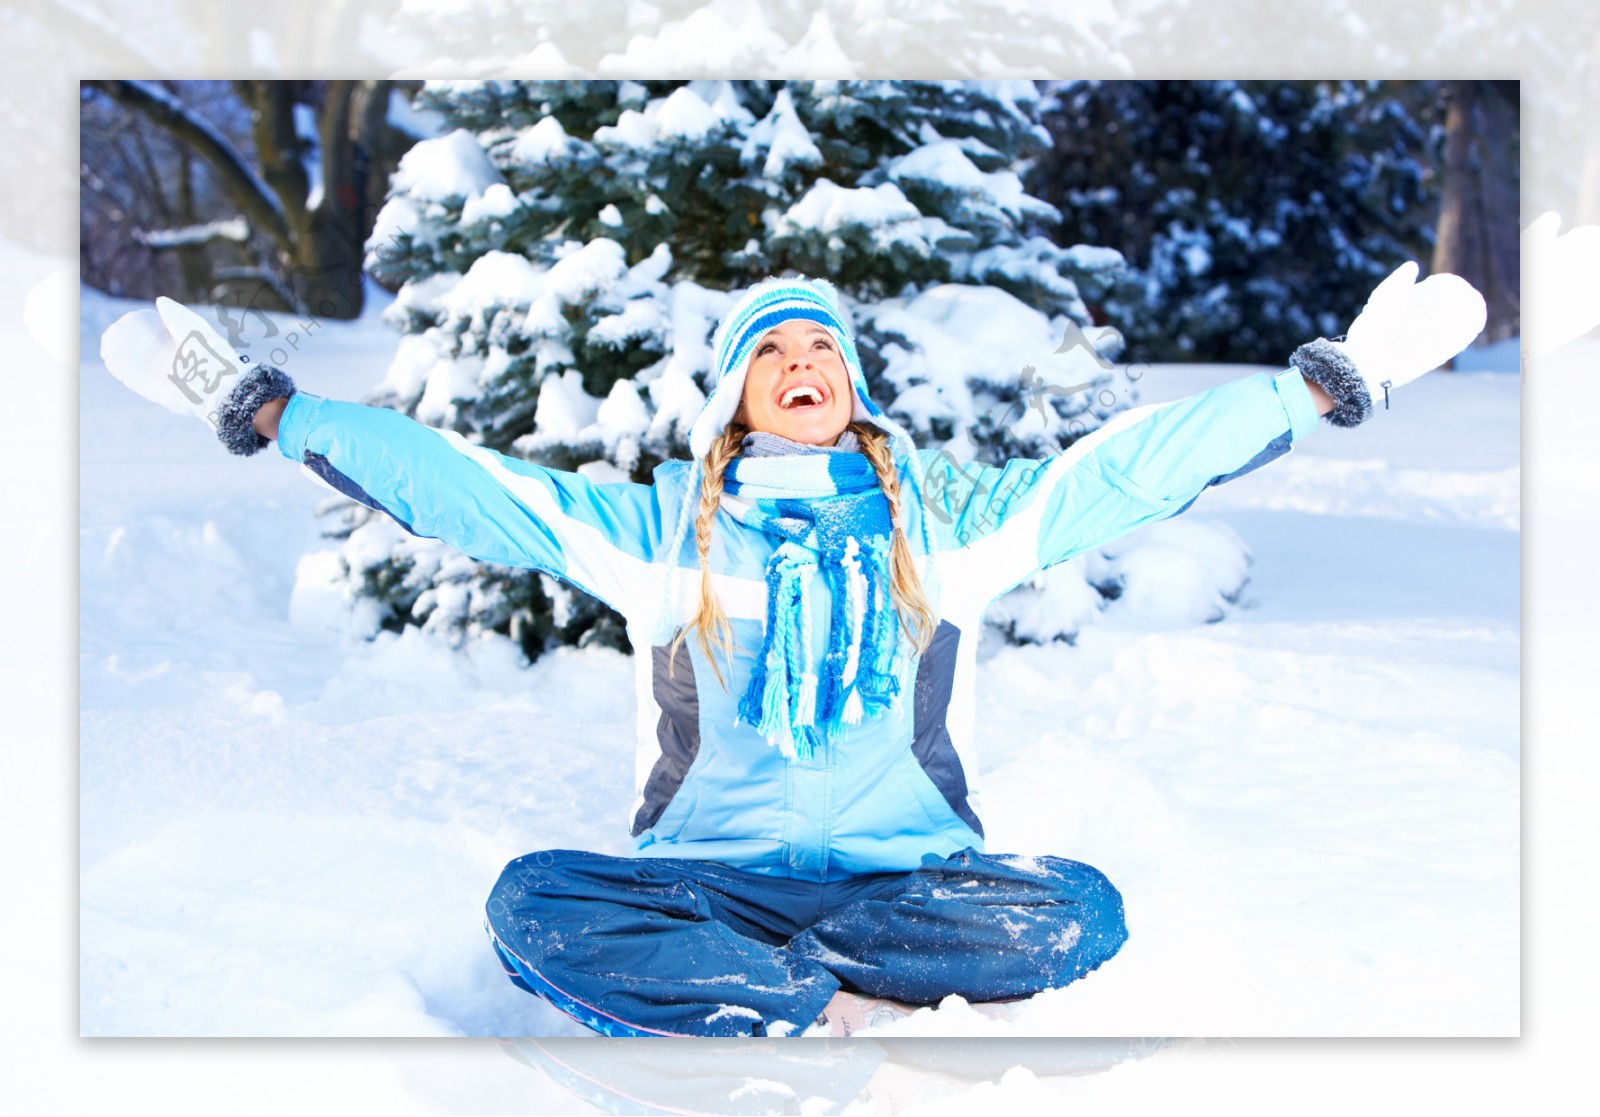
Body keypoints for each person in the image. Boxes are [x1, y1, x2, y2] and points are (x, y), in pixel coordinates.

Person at [100, 266, 1485, 1038]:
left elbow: (1117, 473)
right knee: (532, 904)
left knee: (1083, 909)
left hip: (909, 883)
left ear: (854, 387)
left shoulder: (938, 526)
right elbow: (472, 488)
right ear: (740, 398)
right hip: (698, 889)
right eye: (779, 351)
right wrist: (277, 413)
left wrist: (1308, 394)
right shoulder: (664, 534)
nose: (807, 360)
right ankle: (798, 994)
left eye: (826, 345)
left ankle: (810, 984)